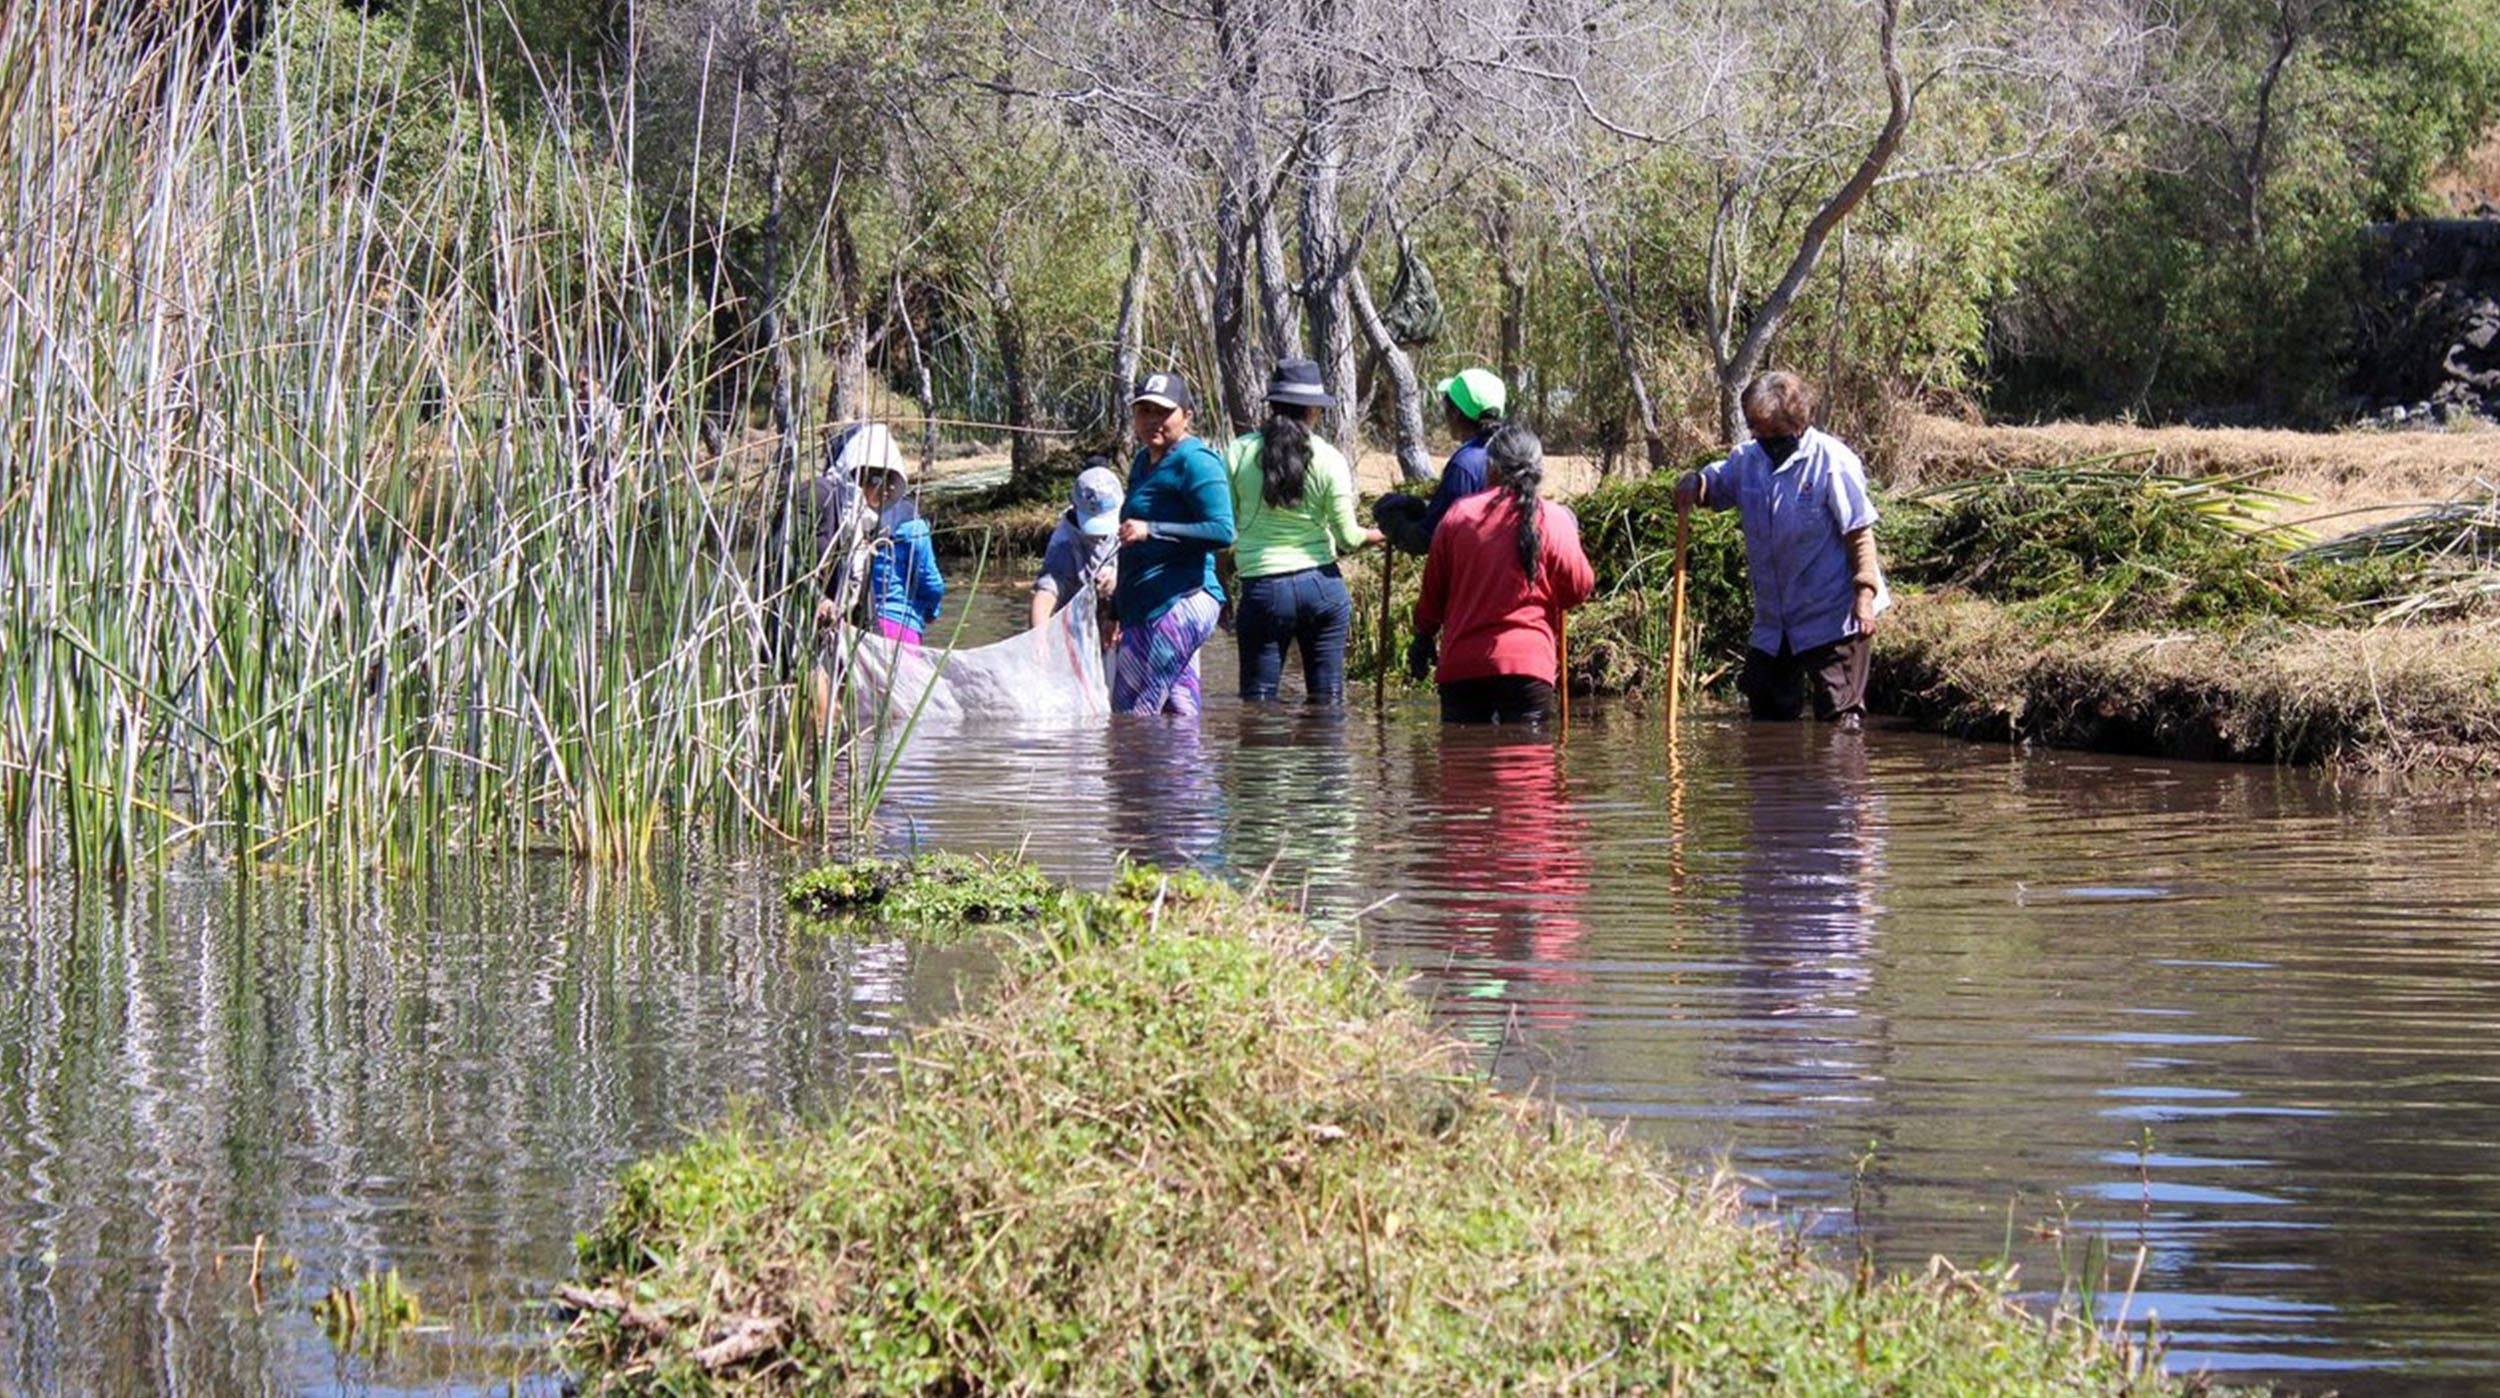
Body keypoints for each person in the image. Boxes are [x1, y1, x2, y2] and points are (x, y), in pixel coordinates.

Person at [1672, 370, 1888, 732]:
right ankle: (1780, 771)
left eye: (1777, 433)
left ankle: (1843, 769)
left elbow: (1859, 533)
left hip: (1831, 611)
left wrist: (1865, 595)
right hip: (1775, 619)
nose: (1768, 442)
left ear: (1799, 423)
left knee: (1840, 720)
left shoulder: (1832, 461)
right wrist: (1696, 482)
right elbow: (1717, 484)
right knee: (1767, 714)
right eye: (1759, 432)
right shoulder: (1748, 459)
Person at [1224, 359, 1385, 703]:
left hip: (1263, 589)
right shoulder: (1330, 459)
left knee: (1258, 704)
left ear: (1272, 404)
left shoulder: (1239, 452)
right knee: (1328, 700)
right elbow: (1349, 538)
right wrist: (1383, 533)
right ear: (1314, 409)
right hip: (1322, 588)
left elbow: (1229, 526)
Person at [1411, 423, 1594, 724]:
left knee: (1463, 752)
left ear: (1491, 467)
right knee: (1526, 752)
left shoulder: (1459, 515)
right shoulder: (1554, 518)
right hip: (1528, 668)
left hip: (1463, 666)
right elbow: (1579, 588)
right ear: (1538, 469)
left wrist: (1423, 637)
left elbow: (1433, 593)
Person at [1112, 371, 1235, 717]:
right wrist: (1114, 611)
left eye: (1163, 412)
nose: (1152, 420)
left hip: (1182, 600)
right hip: (1142, 604)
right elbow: (1128, 542)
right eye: (1144, 411)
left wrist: (1152, 529)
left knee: (1138, 712)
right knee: (1174, 707)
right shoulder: (1142, 461)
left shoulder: (1196, 461)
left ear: (1187, 416)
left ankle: (1140, 758)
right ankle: (1184, 756)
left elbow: (1222, 531)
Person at [818, 423, 944, 646]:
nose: (886, 489)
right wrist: (930, 612)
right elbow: (932, 584)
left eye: (886, 480)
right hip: (899, 627)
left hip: (849, 626)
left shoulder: (837, 516)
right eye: (876, 480)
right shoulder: (911, 523)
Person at [1374, 366, 1508, 555]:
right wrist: (1422, 508)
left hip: (1469, 567)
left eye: (1447, 407)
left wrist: (1392, 521)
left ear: (1456, 413)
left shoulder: (1464, 465)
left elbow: (1429, 537)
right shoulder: (1511, 453)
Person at [1030, 459, 1124, 635]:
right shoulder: (1064, 542)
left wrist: (1117, 577)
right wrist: (1038, 639)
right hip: (1077, 620)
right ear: (1075, 507)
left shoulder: (1130, 520)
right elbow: (1047, 590)